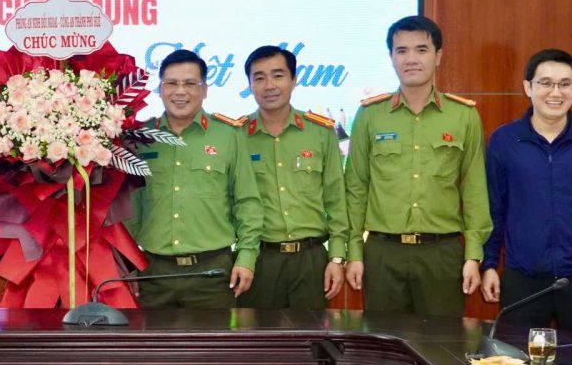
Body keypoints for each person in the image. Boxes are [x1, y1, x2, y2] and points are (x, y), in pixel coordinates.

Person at [345, 16, 490, 317]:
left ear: (438, 56)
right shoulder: (370, 115)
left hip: (442, 254)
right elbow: (356, 188)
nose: (411, 59)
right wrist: (354, 252)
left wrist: (473, 255)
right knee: (383, 341)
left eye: (421, 50)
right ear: (391, 57)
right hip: (383, 253)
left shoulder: (463, 116)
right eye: (402, 50)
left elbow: (475, 189)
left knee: (442, 340)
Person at [481, 49, 572, 338]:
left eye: (565, 84)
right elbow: (494, 208)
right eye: (545, 83)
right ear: (528, 87)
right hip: (524, 277)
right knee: (518, 360)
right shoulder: (504, 140)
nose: (555, 92)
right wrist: (489, 264)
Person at [127, 49, 262, 308]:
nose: (180, 91)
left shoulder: (228, 136)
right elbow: (130, 209)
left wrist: (247, 256)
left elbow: (247, 202)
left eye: (190, 83)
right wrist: (127, 261)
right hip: (153, 274)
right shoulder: (140, 138)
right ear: (160, 89)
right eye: (171, 83)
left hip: (212, 274)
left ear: (205, 89)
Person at [234, 45, 349, 308]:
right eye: (259, 78)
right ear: (250, 85)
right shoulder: (236, 135)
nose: (269, 85)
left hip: (310, 260)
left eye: (278, 75)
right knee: (256, 332)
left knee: (310, 332)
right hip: (258, 260)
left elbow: (336, 199)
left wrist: (336, 257)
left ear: (294, 80)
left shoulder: (320, 132)